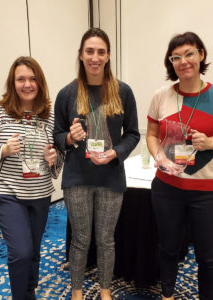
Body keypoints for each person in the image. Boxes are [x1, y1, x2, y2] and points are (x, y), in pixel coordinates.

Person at [146, 32, 213, 300]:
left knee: (207, 255)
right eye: (176, 57)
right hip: (167, 188)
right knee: (168, 248)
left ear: (201, 55)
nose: (183, 61)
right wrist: (158, 157)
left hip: (208, 192)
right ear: (171, 62)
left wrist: (209, 142)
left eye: (189, 54)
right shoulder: (161, 95)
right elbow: (152, 135)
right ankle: (167, 295)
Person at [54, 28, 140, 300]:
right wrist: (69, 137)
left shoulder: (123, 92)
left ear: (108, 56)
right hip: (77, 178)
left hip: (110, 178)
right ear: (80, 55)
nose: (95, 57)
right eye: (89, 51)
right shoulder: (67, 93)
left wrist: (116, 153)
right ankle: (77, 291)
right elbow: (56, 136)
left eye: (100, 51)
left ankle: (105, 290)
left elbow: (133, 134)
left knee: (106, 240)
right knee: (80, 240)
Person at [0, 56, 64, 300]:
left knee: (33, 250)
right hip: (7, 194)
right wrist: (2, 150)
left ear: (40, 82)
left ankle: (29, 291)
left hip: (40, 194)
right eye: (21, 79)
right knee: (21, 252)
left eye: (32, 79)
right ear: (12, 83)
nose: (27, 84)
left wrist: (52, 157)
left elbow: (59, 156)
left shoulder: (49, 116)